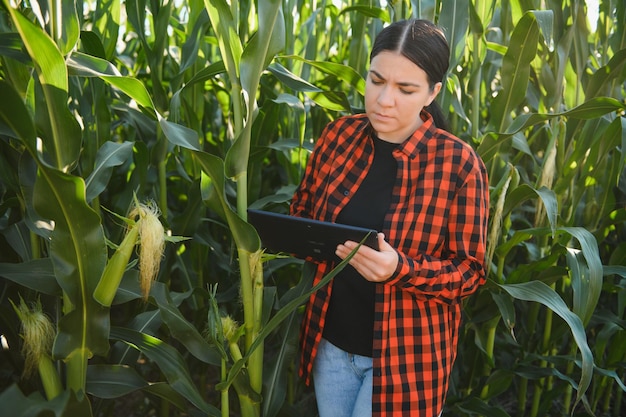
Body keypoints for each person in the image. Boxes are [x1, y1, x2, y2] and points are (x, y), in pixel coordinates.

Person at [289, 18, 489, 417]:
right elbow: (302, 212)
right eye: (377, 80)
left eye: (405, 89)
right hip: (331, 346)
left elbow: (469, 273)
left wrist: (400, 268)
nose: (383, 100)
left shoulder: (459, 165)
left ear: (433, 92)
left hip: (405, 361)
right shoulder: (338, 138)